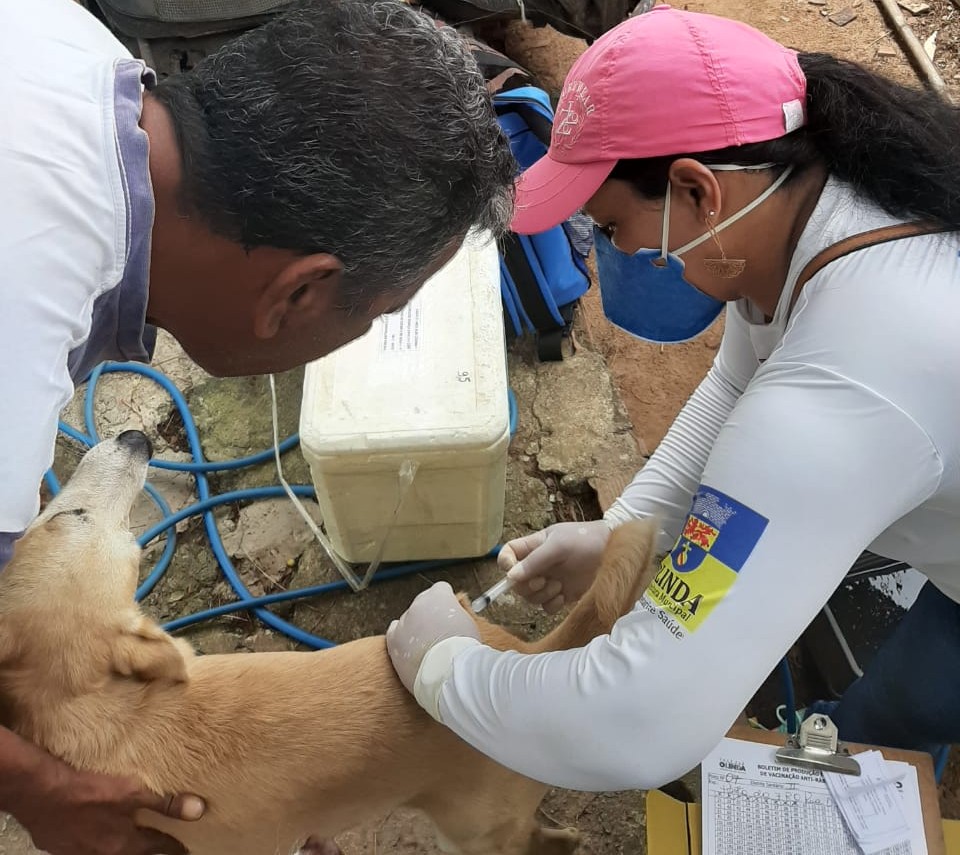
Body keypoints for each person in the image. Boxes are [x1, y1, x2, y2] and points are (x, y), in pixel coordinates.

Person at [386, 4, 960, 793]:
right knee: (913, 683)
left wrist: (446, 668)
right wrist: (629, 530)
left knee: (913, 697)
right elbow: (735, 382)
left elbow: (633, 722)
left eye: (613, 228)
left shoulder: (846, 385)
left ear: (698, 190)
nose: (614, 253)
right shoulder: (822, 194)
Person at [0, 0, 514, 851]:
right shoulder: (13, 363)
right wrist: (39, 786)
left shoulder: (65, 45)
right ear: (300, 292)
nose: (371, 331)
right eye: (382, 313)